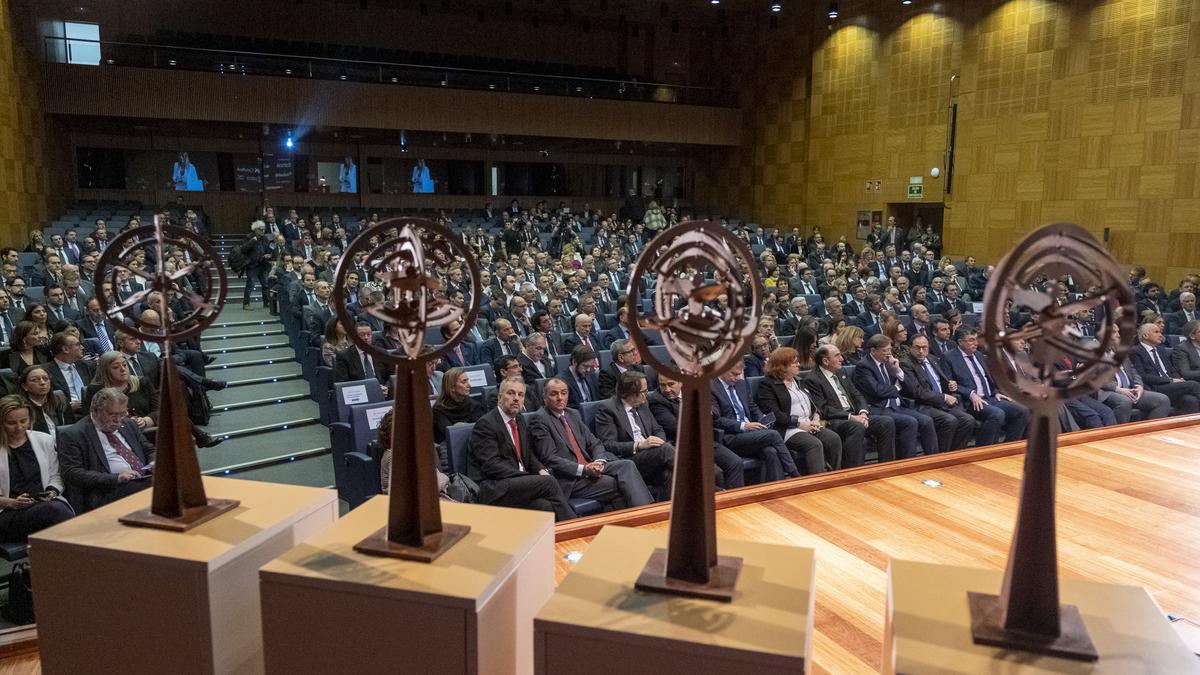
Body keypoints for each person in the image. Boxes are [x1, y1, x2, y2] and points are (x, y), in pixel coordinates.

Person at [530, 378, 654, 509]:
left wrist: (599, 461)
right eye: (554, 394)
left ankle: (644, 514)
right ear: (544, 397)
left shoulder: (573, 414)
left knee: (627, 465)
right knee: (620, 484)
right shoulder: (539, 419)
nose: (560, 398)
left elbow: (595, 443)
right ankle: (646, 516)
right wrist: (584, 469)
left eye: (564, 393)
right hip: (571, 477)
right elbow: (550, 458)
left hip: (590, 465)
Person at [466, 377, 575, 520]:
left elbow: (528, 455)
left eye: (520, 395)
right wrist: (529, 477)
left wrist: (541, 470)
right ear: (500, 397)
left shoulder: (520, 419)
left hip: (516, 484)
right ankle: (577, 527)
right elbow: (492, 466)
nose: (516, 398)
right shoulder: (486, 424)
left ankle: (557, 540)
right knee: (548, 482)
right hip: (494, 487)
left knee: (544, 506)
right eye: (511, 393)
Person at [58, 387, 156, 513]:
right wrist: (116, 478)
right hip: (107, 490)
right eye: (113, 415)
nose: (118, 420)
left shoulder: (128, 425)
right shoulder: (73, 434)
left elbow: (149, 450)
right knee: (155, 486)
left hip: (143, 478)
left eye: (122, 414)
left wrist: (154, 462)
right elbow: (72, 472)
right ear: (95, 410)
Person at [647, 371, 745, 489]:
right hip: (681, 447)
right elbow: (676, 427)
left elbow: (715, 411)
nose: (666, 389)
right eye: (662, 385)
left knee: (735, 463)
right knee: (715, 473)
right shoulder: (657, 400)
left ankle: (735, 502)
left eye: (670, 384)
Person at [804, 344, 896, 467]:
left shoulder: (841, 371)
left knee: (886, 422)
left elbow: (856, 394)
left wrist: (863, 412)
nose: (842, 358)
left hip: (855, 416)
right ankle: (852, 470)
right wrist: (851, 417)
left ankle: (886, 467)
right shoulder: (813, 379)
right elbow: (823, 409)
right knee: (856, 426)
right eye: (837, 356)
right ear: (825, 361)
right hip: (831, 421)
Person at [755, 347, 843, 473]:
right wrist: (800, 424)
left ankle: (834, 477)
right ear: (782, 365)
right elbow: (775, 415)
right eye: (794, 363)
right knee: (814, 444)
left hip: (810, 424)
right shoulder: (767, 385)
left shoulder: (799, 381)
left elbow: (814, 405)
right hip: (788, 428)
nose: (799, 365)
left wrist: (816, 418)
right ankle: (816, 483)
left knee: (833, 439)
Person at [711, 362, 800, 480]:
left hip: (750, 434)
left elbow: (752, 407)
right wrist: (744, 426)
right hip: (731, 436)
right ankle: (794, 474)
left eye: (739, 374)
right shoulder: (711, 388)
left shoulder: (741, 384)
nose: (737, 378)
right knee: (773, 435)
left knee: (771, 452)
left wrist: (762, 419)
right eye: (734, 374)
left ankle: (775, 491)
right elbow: (716, 420)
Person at [939, 328, 1029, 446]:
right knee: (997, 414)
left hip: (990, 397)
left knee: (1022, 411)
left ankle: (1010, 446)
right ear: (960, 342)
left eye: (976, 339)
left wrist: (996, 391)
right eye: (971, 340)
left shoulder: (979, 355)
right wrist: (971, 394)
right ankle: (984, 448)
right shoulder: (948, 357)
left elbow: (988, 378)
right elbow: (949, 385)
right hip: (970, 401)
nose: (976, 343)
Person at [0, 396, 73, 540]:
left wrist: (52, 492)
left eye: (23, 421)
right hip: (7, 511)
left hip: (42, 503)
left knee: (55, 511)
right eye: (11, 423)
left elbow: (55, 475)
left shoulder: (44, 440)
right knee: (56, 511)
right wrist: (10, 502)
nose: (19, 427)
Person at [851, 334, 936, 458]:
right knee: (910, 422)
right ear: (873, 351)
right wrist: (896, 388)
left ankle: (933, 459)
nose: (889, 354)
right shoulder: (864, 366)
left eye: (890, 350)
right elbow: (877, 390)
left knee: (927, 421)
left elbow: (908, 386)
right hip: (878, 408)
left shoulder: (889, 363)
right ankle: (908, 462)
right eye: (885, 351)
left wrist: (898, 371)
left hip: (896, 407)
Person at [594, 371, 674, 497]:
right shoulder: (607, 409)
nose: (646, 396)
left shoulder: (642, 404)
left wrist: (658, 442)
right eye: (644, 392)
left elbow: (657, 429)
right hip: (630, 459)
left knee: (668, 474)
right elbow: (608, 444)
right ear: (630, 394)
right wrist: (639, 445)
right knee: (667, 450)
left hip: (654, 455)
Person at [900, 334, 977, 452]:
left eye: (924, 347)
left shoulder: (933, 359)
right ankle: (941, 456)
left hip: (941, 402)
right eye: (917, 347)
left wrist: (951, 386)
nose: (921, 351)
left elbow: (942, 382)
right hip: (922, 405)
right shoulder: (906, 363)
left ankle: (954, 454)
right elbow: (917, 392)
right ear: (910, 348)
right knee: (949, 421)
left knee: (968, 420)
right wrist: (944, 397)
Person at [1127, 322, 1200, 414]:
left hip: (1170, 385)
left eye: (1160, 332)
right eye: (1156, 332)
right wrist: (1169, 380)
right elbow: (1143, 376)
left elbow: (1171, 369)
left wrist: (1179, 379)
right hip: (1155, 386)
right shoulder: (1136, 351)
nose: (1160, 335)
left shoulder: (1161, 350)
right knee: (1193, 385)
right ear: (1145, 335)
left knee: (1190, 400)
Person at [333, 321, 391, 397]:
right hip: (359, 395)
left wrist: (387, 387)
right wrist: (367, 390)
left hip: (383, 393)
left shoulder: (381, 353)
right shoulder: (344, 356)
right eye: (362, 335)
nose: (366, 337)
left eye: (368, 334)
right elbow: (343, 383)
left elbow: (392, 375)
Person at [432, 368, 485, 445]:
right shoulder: (439, 409)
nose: (469, 385)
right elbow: (450, 434)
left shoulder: (474, 405)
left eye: (468, 380)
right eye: (464, 382)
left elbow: (482, 428)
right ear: (452, 387)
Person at [18, 366, 72, 438]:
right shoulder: (21, 408)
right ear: (25, 386)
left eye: (45, 378)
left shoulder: (61, 400)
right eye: (34, 380)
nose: (42, 382)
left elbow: (72, 427)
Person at [239, 221, 272, 311]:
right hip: (252, 265)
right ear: (255, 229)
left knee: (265, 284)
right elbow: (243, 249)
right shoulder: (249, 237)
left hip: (263, 264)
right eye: (260, 229)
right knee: (250, 284)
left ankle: (266, 302)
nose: (262, 231)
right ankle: (246, 304)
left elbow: (269, 249)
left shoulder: (265, 238)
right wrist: (252, 241)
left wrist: (268, 254)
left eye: (264, 229)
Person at [558, 345, 599, 410]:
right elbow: (566, 409)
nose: (588, 370)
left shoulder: (591, 374)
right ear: (574, 362)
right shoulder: (561, 381)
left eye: (590, 366)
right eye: (585, 366)